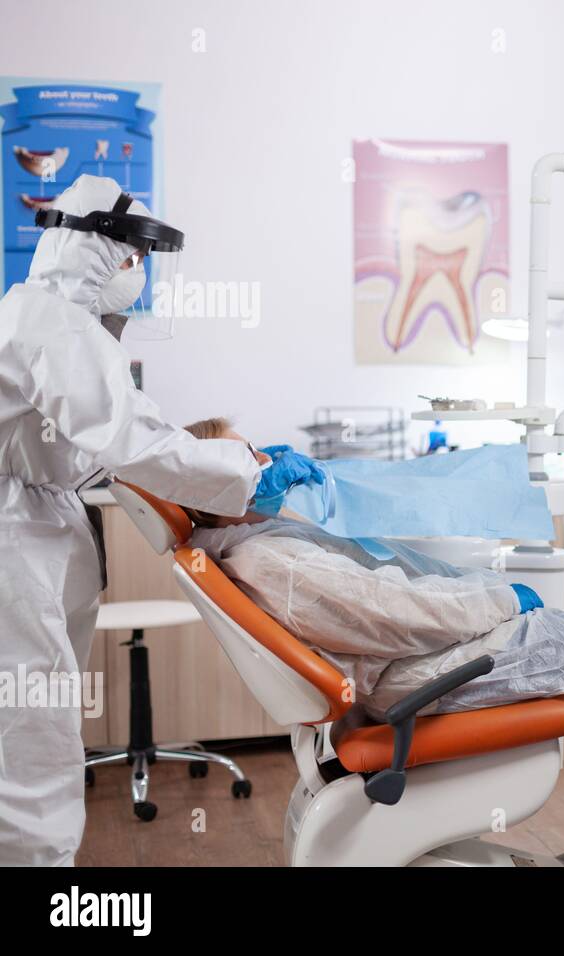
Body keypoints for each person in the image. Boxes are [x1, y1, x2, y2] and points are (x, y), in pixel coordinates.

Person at [0, 175, 321, 866]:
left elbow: (98, 444)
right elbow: (129, 440)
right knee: (27, 731)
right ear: (94, 249)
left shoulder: (61, 324)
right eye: (134, 255)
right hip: (12, 545)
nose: (139, 273)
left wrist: (232, 458)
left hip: (30, 529)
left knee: (30, 717)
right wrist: (248, 472)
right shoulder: (47, 319)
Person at [181, 418, 564, 719]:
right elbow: (397, 614)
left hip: (431, 658)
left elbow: (384, 591)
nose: (264, 460)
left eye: (255, 446)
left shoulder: (256, 539)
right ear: (215, 487)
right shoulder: (269, 559)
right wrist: (501, 599)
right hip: (430, 671)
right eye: (246, 456)